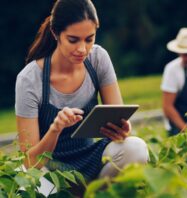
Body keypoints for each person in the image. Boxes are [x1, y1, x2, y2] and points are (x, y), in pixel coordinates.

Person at [15, 0, 149, 182]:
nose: (82, 49)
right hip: (50, 169)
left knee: (136, 148)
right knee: (29, 182)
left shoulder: (98, 59)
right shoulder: (29, 79)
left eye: (89, 39)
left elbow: (117, 115)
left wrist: (124, 129)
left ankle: (94, 194)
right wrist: (55, 128)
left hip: (89, 157)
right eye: (73, 40)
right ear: (55, 33)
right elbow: (30, 162)